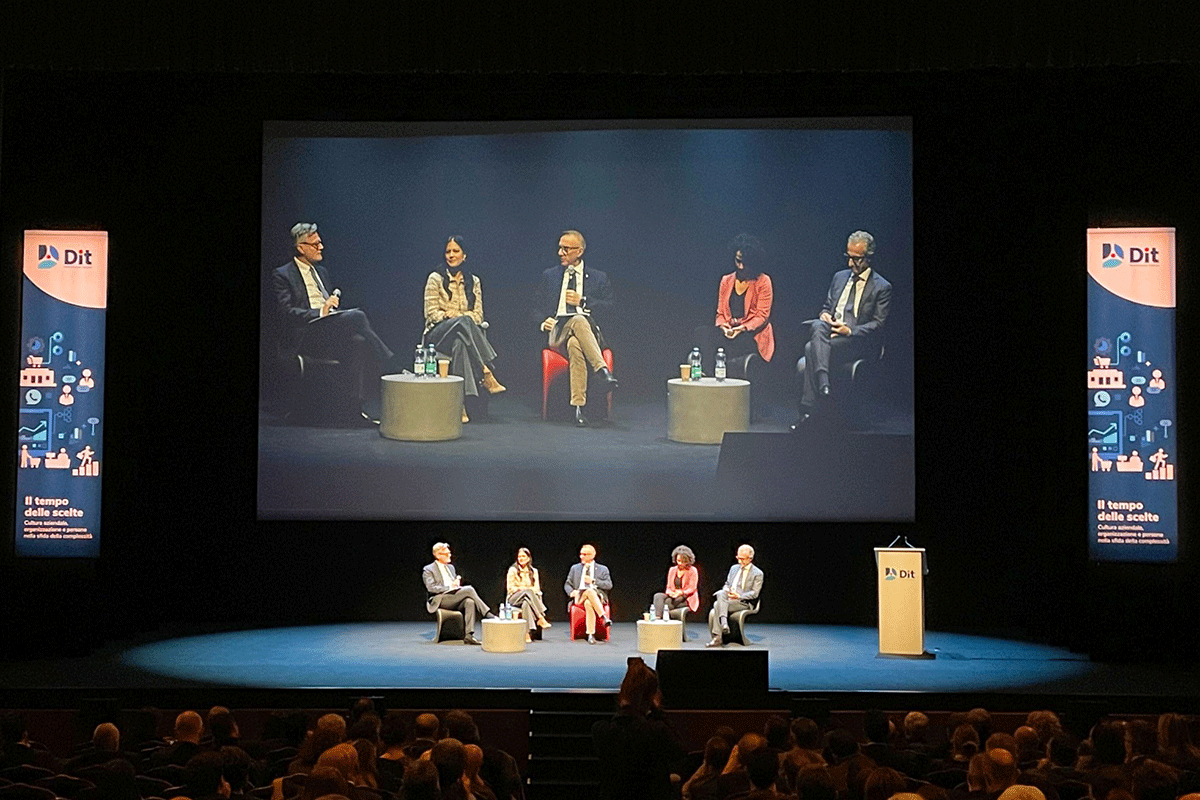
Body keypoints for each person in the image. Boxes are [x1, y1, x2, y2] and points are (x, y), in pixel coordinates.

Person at [272, 223, 395, 426]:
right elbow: (286, 312)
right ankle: (389, 360)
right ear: (300, 248)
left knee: (359, 342)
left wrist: (331, 311)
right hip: (306, 333)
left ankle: (353, 410)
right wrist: (320, 311)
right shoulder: (283, 274)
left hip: (327, 330)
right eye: (315, 244)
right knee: (358, 316)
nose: (321, 247)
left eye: (320, 242)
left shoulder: (321, 272)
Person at [793, 230, 891, 428]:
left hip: (855, 341)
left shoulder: (882, 287)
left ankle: (809, 411)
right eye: (848, 257)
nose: (850, 264)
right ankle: (823, 386)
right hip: (830, 335)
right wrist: (825, 316)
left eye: (857, 259)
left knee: (811, 349)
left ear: (869, 258)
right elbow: (826, 307)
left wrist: (849, 331)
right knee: (818, 324)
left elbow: (878, 324)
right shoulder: (839, 278)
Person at [536, 229, 618, 426]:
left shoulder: (598, 277)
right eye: (560, 248)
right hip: (557, 333)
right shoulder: (550, 276)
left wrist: (583, 300)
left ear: (579, 251)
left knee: (575, 342)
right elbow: (534, 308)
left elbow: (611, 308)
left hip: (588, 336)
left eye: (566, 249)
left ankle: (578, 408)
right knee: (578, 321)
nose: (560, 253)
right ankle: (602, 371)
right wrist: (543, 321)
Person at [423, 235, 506, 423]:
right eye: (448, 252)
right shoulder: (435, 279)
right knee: (462, 322)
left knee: (461, 340)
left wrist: (460, 316)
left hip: (462, 334)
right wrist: (448, 315)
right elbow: (430, 313)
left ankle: (459, 407)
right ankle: (486, 370)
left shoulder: (474, 281)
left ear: (464, 255)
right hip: (437, 334)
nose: (451, 255)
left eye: (455, 251)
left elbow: (478, 316)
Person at [592, 657, 684, 800]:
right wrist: (658, 711)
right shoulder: (656, 731)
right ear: (651, 697)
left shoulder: (600, 731)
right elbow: (679, 752)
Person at [693, 233, 775, 375]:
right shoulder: (726, 280)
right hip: (728, 332)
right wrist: (724, 327)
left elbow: (762, 316)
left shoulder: (763, 281)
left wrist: (741, 329)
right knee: (702, 332)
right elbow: (720, 313)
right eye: (738, 261)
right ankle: (707, 376)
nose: (741, 266)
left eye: (745, 263)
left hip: (750, 335)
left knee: (733, 344)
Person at [422, 542, 492, 645]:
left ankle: (469, 636)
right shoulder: (428, 569)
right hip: (440, 599)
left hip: (452, 596)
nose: (450, 555)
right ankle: (487, 613)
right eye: (446, 554)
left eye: (449, 553)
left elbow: (453, 586)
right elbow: (431, 588)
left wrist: (455, 585)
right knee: (469, 589)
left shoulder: (451, 568)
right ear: (438, 555)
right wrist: (449, 587)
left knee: (469, 601)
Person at [708, 544, 764, 646]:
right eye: (738, 558)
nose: (739, 561)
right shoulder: (734, 568)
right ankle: (723, 625)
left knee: (717, 605)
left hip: (743, 602)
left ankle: (718, 637)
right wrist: (726, 590)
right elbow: (727, 584)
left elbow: (754, 593)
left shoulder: (758, 573)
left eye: (742, 559)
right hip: (728, 599)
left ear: (750, 559)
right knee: (721, 593)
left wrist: (738, 596)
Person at [564, 543, 613, 644]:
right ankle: (603, 617)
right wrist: (571, 592)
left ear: (592, 555)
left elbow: (609, 585)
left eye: (585, 554)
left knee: (588, 602)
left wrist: (593, 581)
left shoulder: (603, 569)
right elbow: (567, 584)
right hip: (579, 597)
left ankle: (590, 634)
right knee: (588, 593)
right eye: (581, 554)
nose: (581, 556)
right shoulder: (575, 568)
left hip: (597, 597)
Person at [506, 547, 552, 642]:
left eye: (523, 556)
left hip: (528, 598)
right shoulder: (513, 570)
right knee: (527, 592)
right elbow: (510, 588)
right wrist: (522, 589)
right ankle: (540, 616)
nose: (521, 558)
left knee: (526, 603)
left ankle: (526, 634)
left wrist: (526, 589)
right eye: (519, 557)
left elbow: (537, 588)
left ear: (528, 558)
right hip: (514, 598)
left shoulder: (534, 571)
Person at [652, 544, 700, 621]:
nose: (680, 563)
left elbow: (692, 588)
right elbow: (669, 587)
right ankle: (658, 619)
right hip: (673, 596)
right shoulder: (672, 570)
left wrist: (680, 593)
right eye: (678, 561)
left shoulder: (692, 570)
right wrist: (670, 593)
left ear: (688, 561)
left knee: (668, 603)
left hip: (685, 597)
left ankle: (660, 618)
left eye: (683, 561)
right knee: (658, 596)